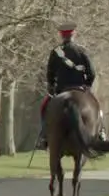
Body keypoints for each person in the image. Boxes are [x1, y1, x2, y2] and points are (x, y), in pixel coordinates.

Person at [39, 21, 97, 149]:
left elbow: (50, 73)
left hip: (61, 90)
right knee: (96, 107)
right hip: (80, 88)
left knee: (43, 108)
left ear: (61, 36)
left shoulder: (55, 52)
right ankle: (96, 134)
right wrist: (87, 85)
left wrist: (51, 86)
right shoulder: (82, 51)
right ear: (74, 34)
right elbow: (92, 73)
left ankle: (44, 135)